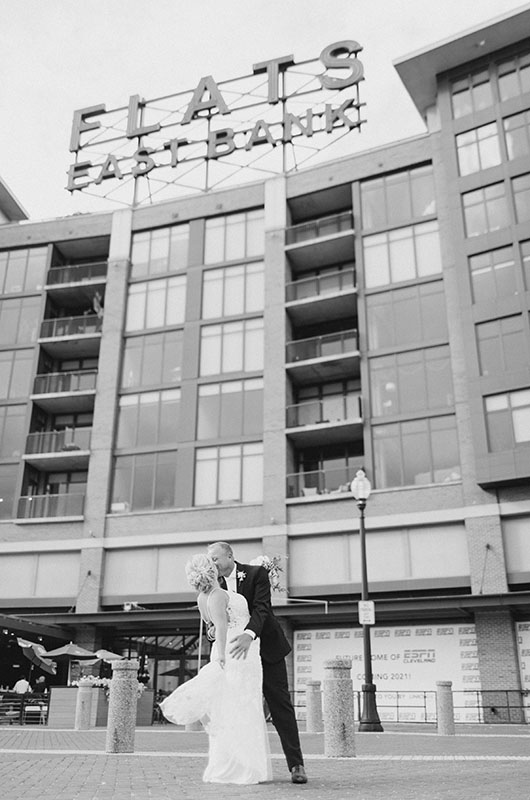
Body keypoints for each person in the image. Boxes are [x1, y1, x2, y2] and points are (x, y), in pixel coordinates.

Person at [160, 554, 272, 784]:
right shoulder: (220, 594)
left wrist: (217, 645)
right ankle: (243, 768)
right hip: (236, 653)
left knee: (227, 707)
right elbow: (219, 627)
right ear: (210, 570)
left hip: (232, 649)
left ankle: (230, 763)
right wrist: (221, 655)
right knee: (243, 705)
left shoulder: (202, 598)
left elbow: (210, 626)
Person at [207, 541, 307, 785]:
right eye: (210, 561)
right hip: (237, 657)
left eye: (216, 559)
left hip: (267, 649)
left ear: (230, 555)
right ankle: (242, 765)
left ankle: (297, 764)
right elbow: (214, 621)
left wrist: (248, 635)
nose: (213, 564)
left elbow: (262, 609)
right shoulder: (214, 585)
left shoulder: (256, 574)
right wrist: (213, 632)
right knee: (238, 708)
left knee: (281, 706)